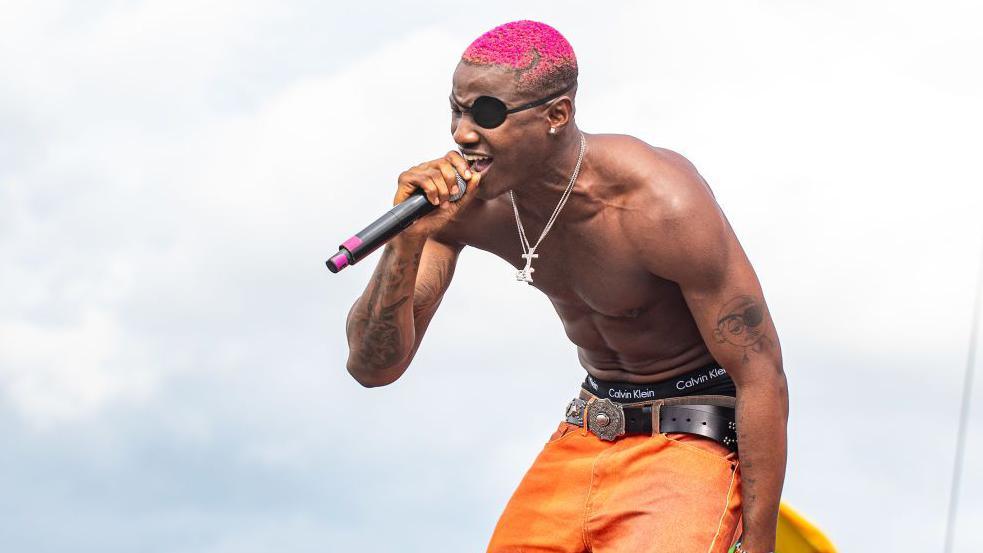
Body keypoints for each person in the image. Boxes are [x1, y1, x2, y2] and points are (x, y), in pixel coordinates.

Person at [343, 20, 787, 553]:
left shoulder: (657, 202)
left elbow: (762, 376)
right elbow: (373, 367)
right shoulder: (462, 207)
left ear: (557, 115)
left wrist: (760, 544)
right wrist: (406, 242)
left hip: (689, 441)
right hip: (586, 431)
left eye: (487, 113)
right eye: (456, 111)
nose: (462, 134)